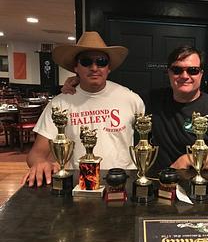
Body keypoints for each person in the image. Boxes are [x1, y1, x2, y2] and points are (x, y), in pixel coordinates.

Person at [61, 45, 208, 175]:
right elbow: (115, 96)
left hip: (193, 190)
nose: (185, 76)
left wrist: (190, 159)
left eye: (192, 70)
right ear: (169, 73)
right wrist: (80, 81)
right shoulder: (149, 100)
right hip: (153, 186)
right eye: (177, 70)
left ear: (201, 74)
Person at [23, 31, 145, 187]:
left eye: (101, 61)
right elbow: (36, 154)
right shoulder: (59, 104)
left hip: (124, 182)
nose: (94, 67)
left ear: (108, 67)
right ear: (76, 67)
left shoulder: (131, 99)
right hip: (83, 183)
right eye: (86, 61)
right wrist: (40, 163)